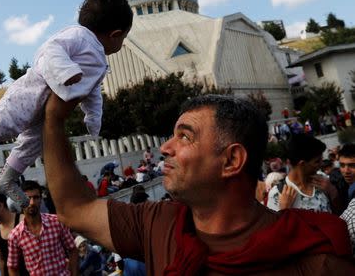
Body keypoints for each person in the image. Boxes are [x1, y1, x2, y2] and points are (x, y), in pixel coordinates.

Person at [42, 93, 355, 275]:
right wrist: (53, 120)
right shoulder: (158, 223)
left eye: (185, 136)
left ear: (231, 161)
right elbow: (73, 209)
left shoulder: (315, 261)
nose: (165, 148)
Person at [0, 0, 133, 207]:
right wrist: (66, 71)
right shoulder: (78, 35)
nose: (121, 44)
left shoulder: (100, 63)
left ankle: (6, 178)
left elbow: (93, 92)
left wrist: (93, 119)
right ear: (115, 34)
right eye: (123, 38)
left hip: (48, 108)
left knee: (34, 143)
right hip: (32, 91)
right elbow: (51, 51)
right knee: (3, 125)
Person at [7, 180, 79, 275]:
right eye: (27, 198)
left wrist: (74, 274)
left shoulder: (56, 222)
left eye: (36, 197)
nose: (32, 202)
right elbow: (12, 267)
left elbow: (72, 249)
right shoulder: (15, 235)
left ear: (41, 199)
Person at [266, 134, 333, 213]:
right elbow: (276, 225)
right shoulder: (277, 194)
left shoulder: (322, 179)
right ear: (302, 164)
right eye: (317, 161)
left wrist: (332, 192)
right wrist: (284, 210)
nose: (321, 164)